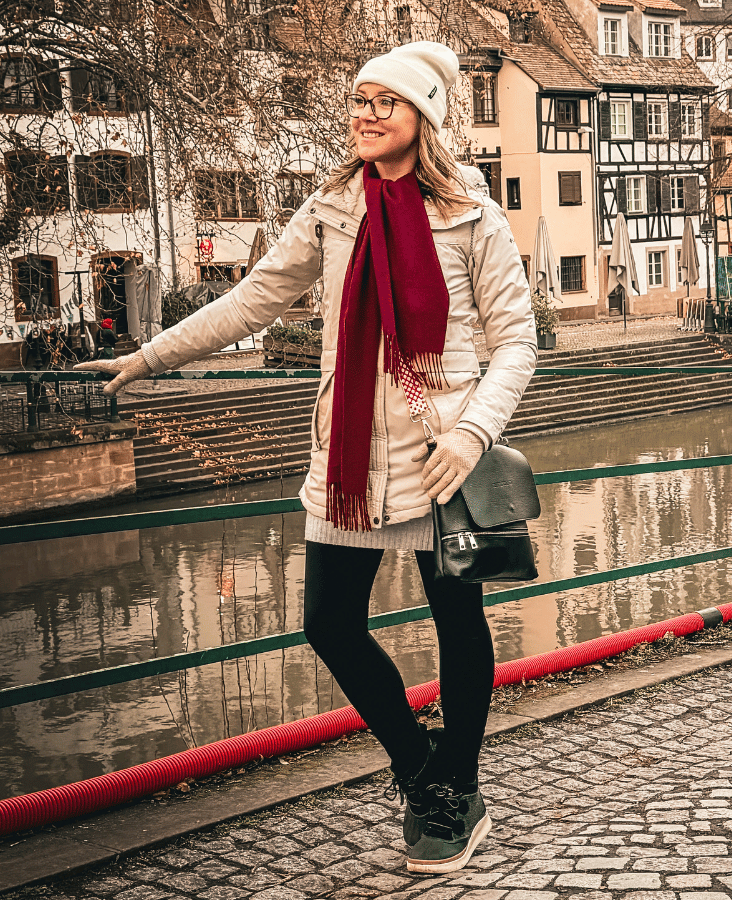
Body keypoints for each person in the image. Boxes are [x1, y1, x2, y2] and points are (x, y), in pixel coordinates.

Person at [77, 42, 536, 875]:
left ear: (422, 117)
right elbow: (253, 297)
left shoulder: (474, 214)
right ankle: (416, 767)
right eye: (358, 99)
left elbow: (516, 342)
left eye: (384, 102)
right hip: (350, 462)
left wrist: (472, 435)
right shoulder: (332, 208)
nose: (364, 114)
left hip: (444, 461)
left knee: (456, 623)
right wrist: (149, 357)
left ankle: (457, 789)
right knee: (328, 623)